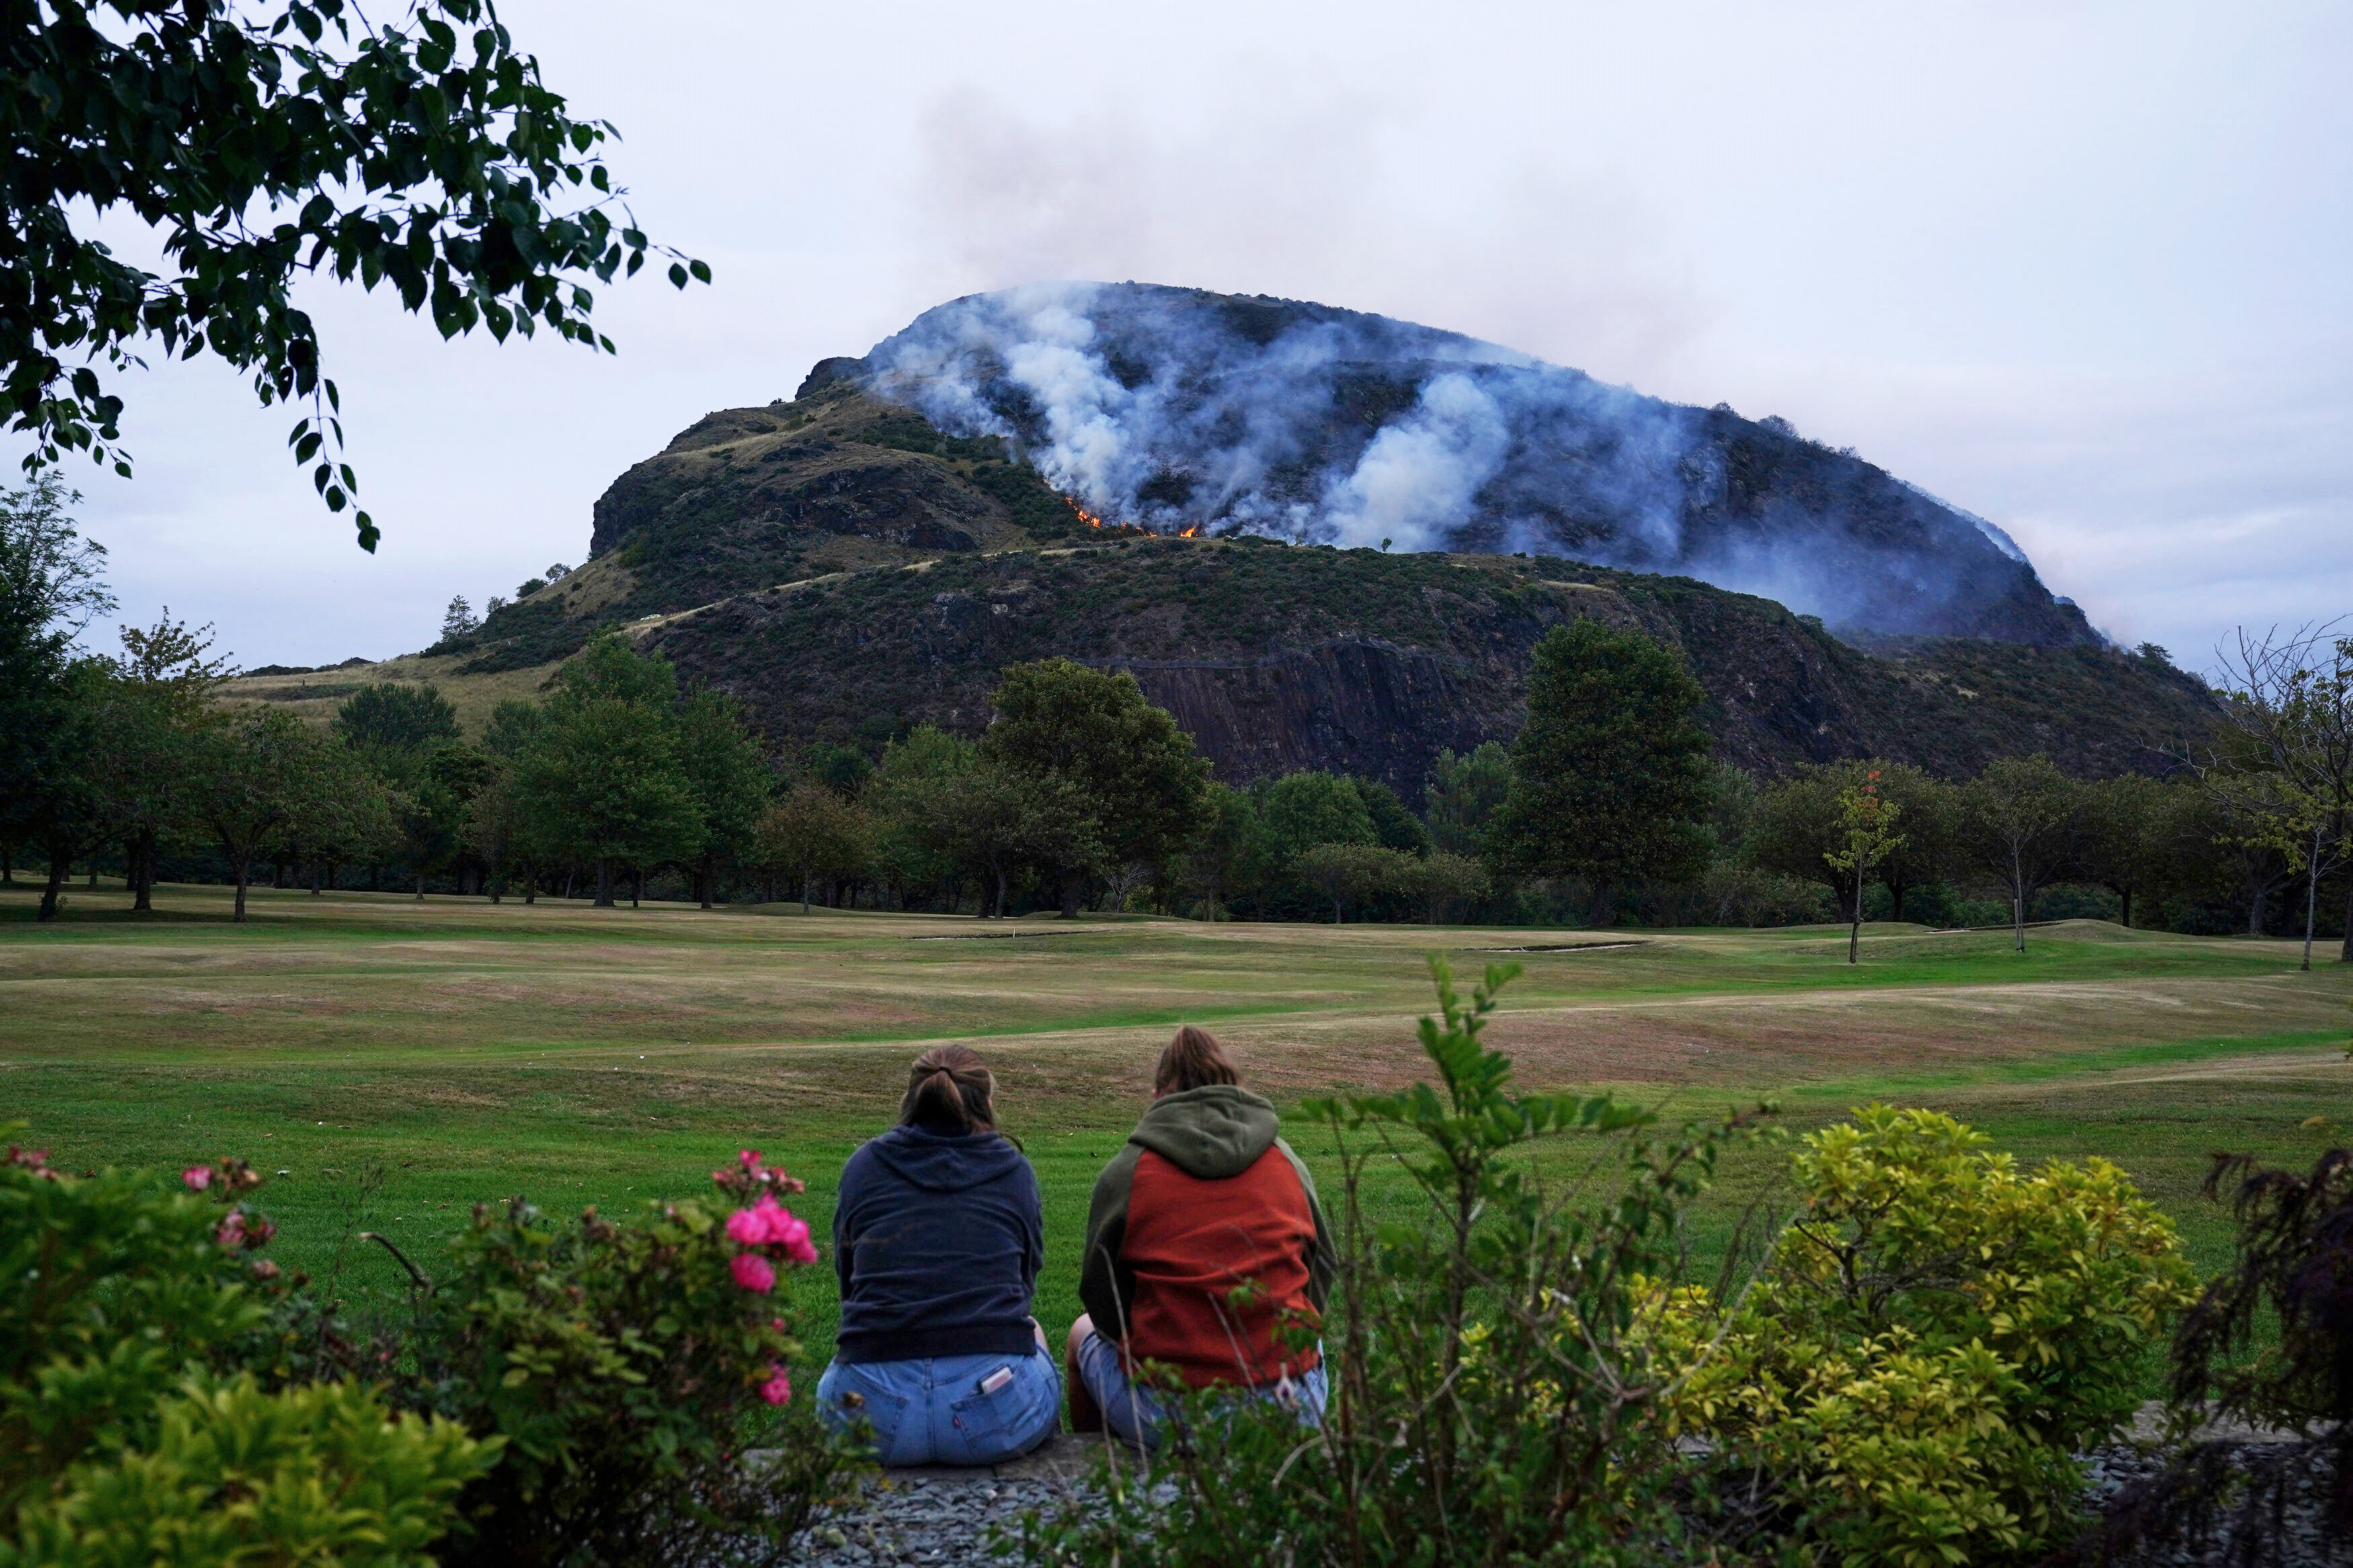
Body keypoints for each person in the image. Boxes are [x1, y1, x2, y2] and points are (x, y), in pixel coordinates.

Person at [1066, 1024, 1335, 1448]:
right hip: (1287, 1405)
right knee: (1312, 1334)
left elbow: (1100, 1293)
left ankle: (1097, 1471)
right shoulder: (1286, 1163)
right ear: (1235, 1088)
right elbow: (1322, 1267)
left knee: (1080, 1334)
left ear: (1158, 1098)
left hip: (1169, 1410)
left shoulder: (1128, 1173)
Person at [817, 1044, 1060, 1465]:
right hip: (993, 1408)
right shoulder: (1013, 1170)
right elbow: (1024, 1283)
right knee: (1032, 1331)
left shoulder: (864, 1166)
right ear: (986, 1102)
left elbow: (848, 1282)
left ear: (911, 1099)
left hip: (870, 1409)